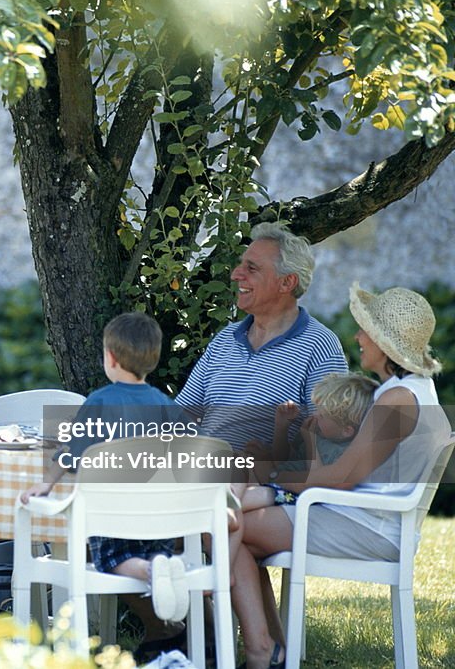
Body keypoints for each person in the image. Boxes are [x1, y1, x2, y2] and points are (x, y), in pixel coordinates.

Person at [231, 283, 451, 669]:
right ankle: (270, 649)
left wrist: (276, 478)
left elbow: (343, 478)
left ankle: (263, 651)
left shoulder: (397, 398)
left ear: (385, 344)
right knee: (240, 534)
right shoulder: (411, 389)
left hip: (370, 525)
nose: (358, 337)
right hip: (371, 519)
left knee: (227, 527)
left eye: (366, 331)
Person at [21, 312, 195, 653]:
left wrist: (46, 484)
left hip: (114, 521)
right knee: (148, 550)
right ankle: (160, 565)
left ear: (110, 358)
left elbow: (71, 453)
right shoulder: (167, 406)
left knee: (113, 560)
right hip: (162, 524)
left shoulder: (99, 402)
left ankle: (149, 571)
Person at [176, 222, 348, 451]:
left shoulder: (320, 346)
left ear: (287, 282)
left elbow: (329, 438)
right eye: (240, 266)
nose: (236, 274)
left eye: (252, 268)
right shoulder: (226, 338)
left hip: (260, 479)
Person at [237, 372, 378, 511]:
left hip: (296, 496)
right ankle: (228, 500)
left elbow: (316, 483)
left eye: (322, 415)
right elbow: (283, 459)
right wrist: (282, 428)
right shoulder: (318, 431)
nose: (315, 415)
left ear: (346, 431)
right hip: (275, 482)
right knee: (239, 460)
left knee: (241, 498)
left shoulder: (344, 453)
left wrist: (311, 440)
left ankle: (226, 505)